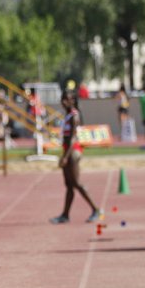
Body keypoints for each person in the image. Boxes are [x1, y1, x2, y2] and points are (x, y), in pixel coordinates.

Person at [49, 91, 102, 224]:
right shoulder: (66, 115)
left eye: (66, 99)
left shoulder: (74, 115)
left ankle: (96, 210)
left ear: (73, 100)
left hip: (73, 152)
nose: (64, 102)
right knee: (69, 185)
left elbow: (73, 138)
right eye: (62, 99)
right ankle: (65, 215)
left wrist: (65, 157)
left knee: (76, 183)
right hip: (67, 151)